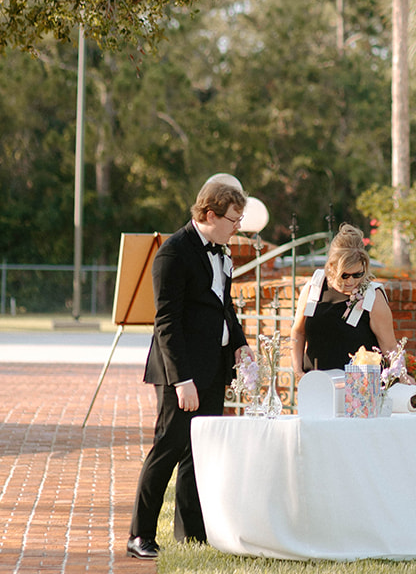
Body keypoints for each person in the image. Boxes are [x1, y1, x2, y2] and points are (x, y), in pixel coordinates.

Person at [126, 177, 253, 561]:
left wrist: (240, 345)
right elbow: (166, 322)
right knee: (168, 448)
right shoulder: (172, 254)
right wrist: (182, 380)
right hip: (179, 373)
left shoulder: (222, 252)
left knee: (199, 452)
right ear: (209, 214)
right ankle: (140, 535)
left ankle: (191, 533)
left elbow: (223, 306)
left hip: (213, 368)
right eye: (234, 219)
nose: (238, 227)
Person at [290, 223, 397, 375]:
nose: (351, 281)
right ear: (332, 267)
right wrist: (297, 370)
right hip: (316, 383)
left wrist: (402, 377)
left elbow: (390, 347)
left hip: (358, 390)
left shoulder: (373, 297)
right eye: (345, 275)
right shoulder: (314, 286)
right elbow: (298, 332)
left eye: (358, 274)